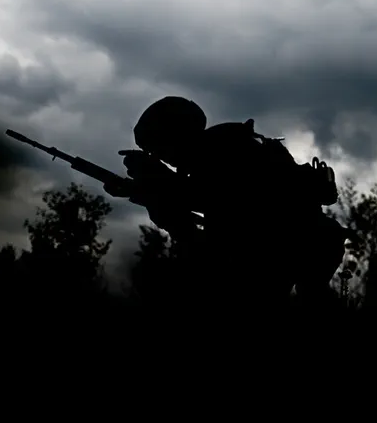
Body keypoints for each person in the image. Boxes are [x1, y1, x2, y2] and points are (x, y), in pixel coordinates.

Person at [115, 95, 346, 305]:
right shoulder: (219, 150)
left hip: (287, 247)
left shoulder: (226, 150)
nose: (160, 157)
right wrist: (143, 189)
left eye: (159, 149)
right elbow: (198, 198)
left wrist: (153, 179)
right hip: (294, 244)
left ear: (178, 136)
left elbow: (204, 197)